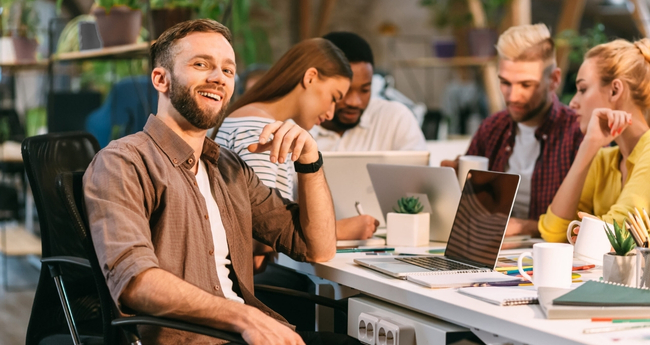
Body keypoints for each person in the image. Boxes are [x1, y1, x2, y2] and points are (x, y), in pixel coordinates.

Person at [83, 19, 360, 345]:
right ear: (161, 79)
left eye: (228, 71)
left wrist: (310, 161)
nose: (218, 78)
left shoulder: (230, 169)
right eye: (201, 64)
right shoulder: (124, 162)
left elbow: (317, 246)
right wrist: (243, 316)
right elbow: (135, 282)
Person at [214, 38, 379, 241]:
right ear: (310, 77)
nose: (330, 113)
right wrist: (337, 230)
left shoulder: (256, 119)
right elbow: (258, 233)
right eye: (334, 97)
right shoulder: (259, 128)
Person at [441, 24, 583, 238]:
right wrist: (452, 186)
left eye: (526, 85)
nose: (513, 96)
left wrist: (526, 227)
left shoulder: (578, 133)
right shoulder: (491, 129)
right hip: (489, 251)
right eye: (505, 83)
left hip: (553, 258)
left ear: (554, 79)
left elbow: (588, 221)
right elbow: (471, 210)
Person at [539, 38, 650, 242]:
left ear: (615, 90)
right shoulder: (603, 160)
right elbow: (553, 231)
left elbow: (616, 232)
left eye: (582, 90)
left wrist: (585, 231)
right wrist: (589, 144)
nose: (572, 103)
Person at [311, 31, 427, 151]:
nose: (354, 102)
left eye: (365, 90)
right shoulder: (297, 126)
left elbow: (420, 169)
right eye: (344, 91)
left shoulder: (395, 119)